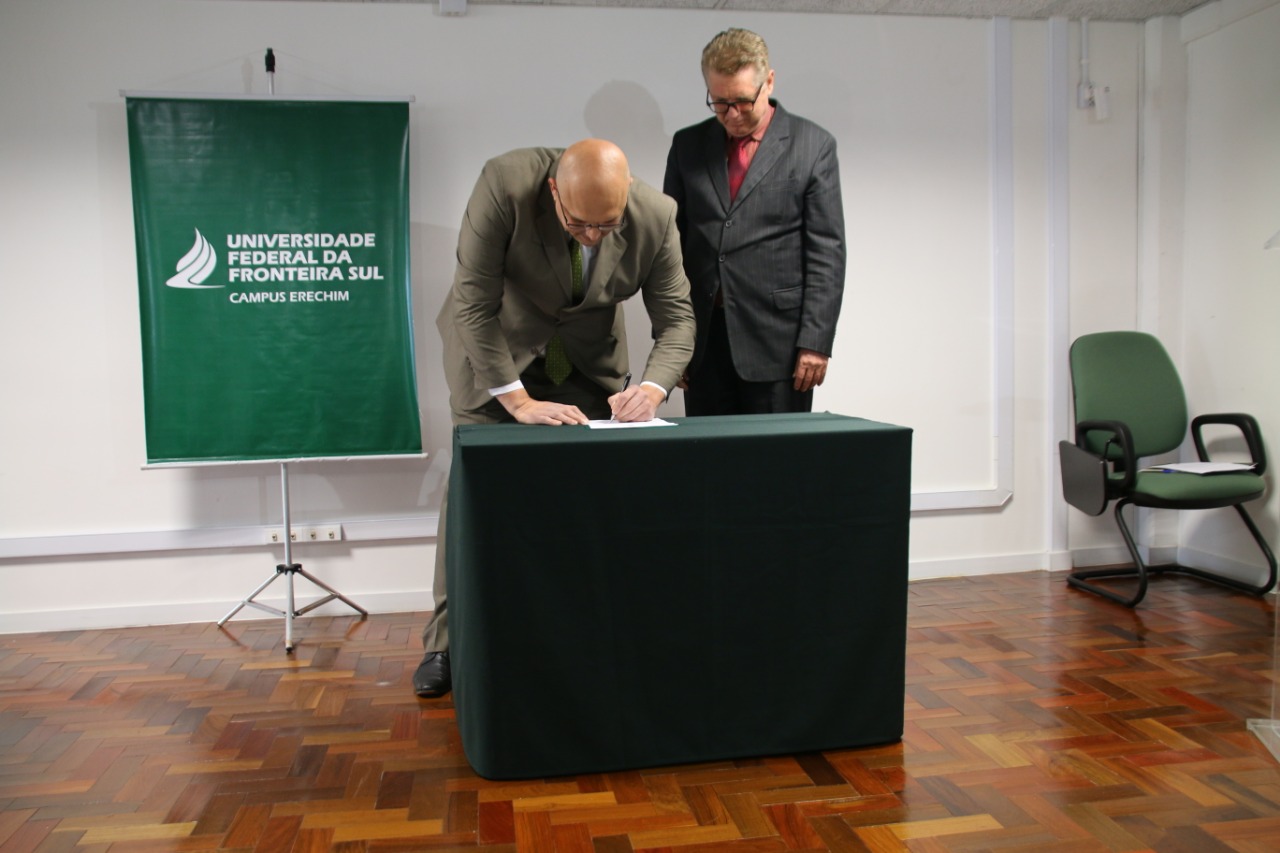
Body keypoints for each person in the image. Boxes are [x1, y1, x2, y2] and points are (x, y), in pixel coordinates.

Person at [413, 139, 696, 697]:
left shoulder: (656, 214)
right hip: (495, 354)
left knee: (590, 500)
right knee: (473, 496)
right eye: (578, 223)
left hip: (587, 364)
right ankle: (445, 642)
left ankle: (584, 636)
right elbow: (473, 303)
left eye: (606, 225)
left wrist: (653, 390)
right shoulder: (504, 185)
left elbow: (677, 319)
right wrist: (518, 402)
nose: (591, 236)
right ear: (553, 193)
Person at [664, 28, 847, 415]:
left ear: (769, 82)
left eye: (743, 102)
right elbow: (670, 245)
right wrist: (671, 342)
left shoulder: (813, 145)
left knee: (776, 453)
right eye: (719, 103)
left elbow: (826, 253)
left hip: (780, 345)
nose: (732, 115)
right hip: (702, 342)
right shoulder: (687, 146)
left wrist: (816, 342)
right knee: (708, 452)